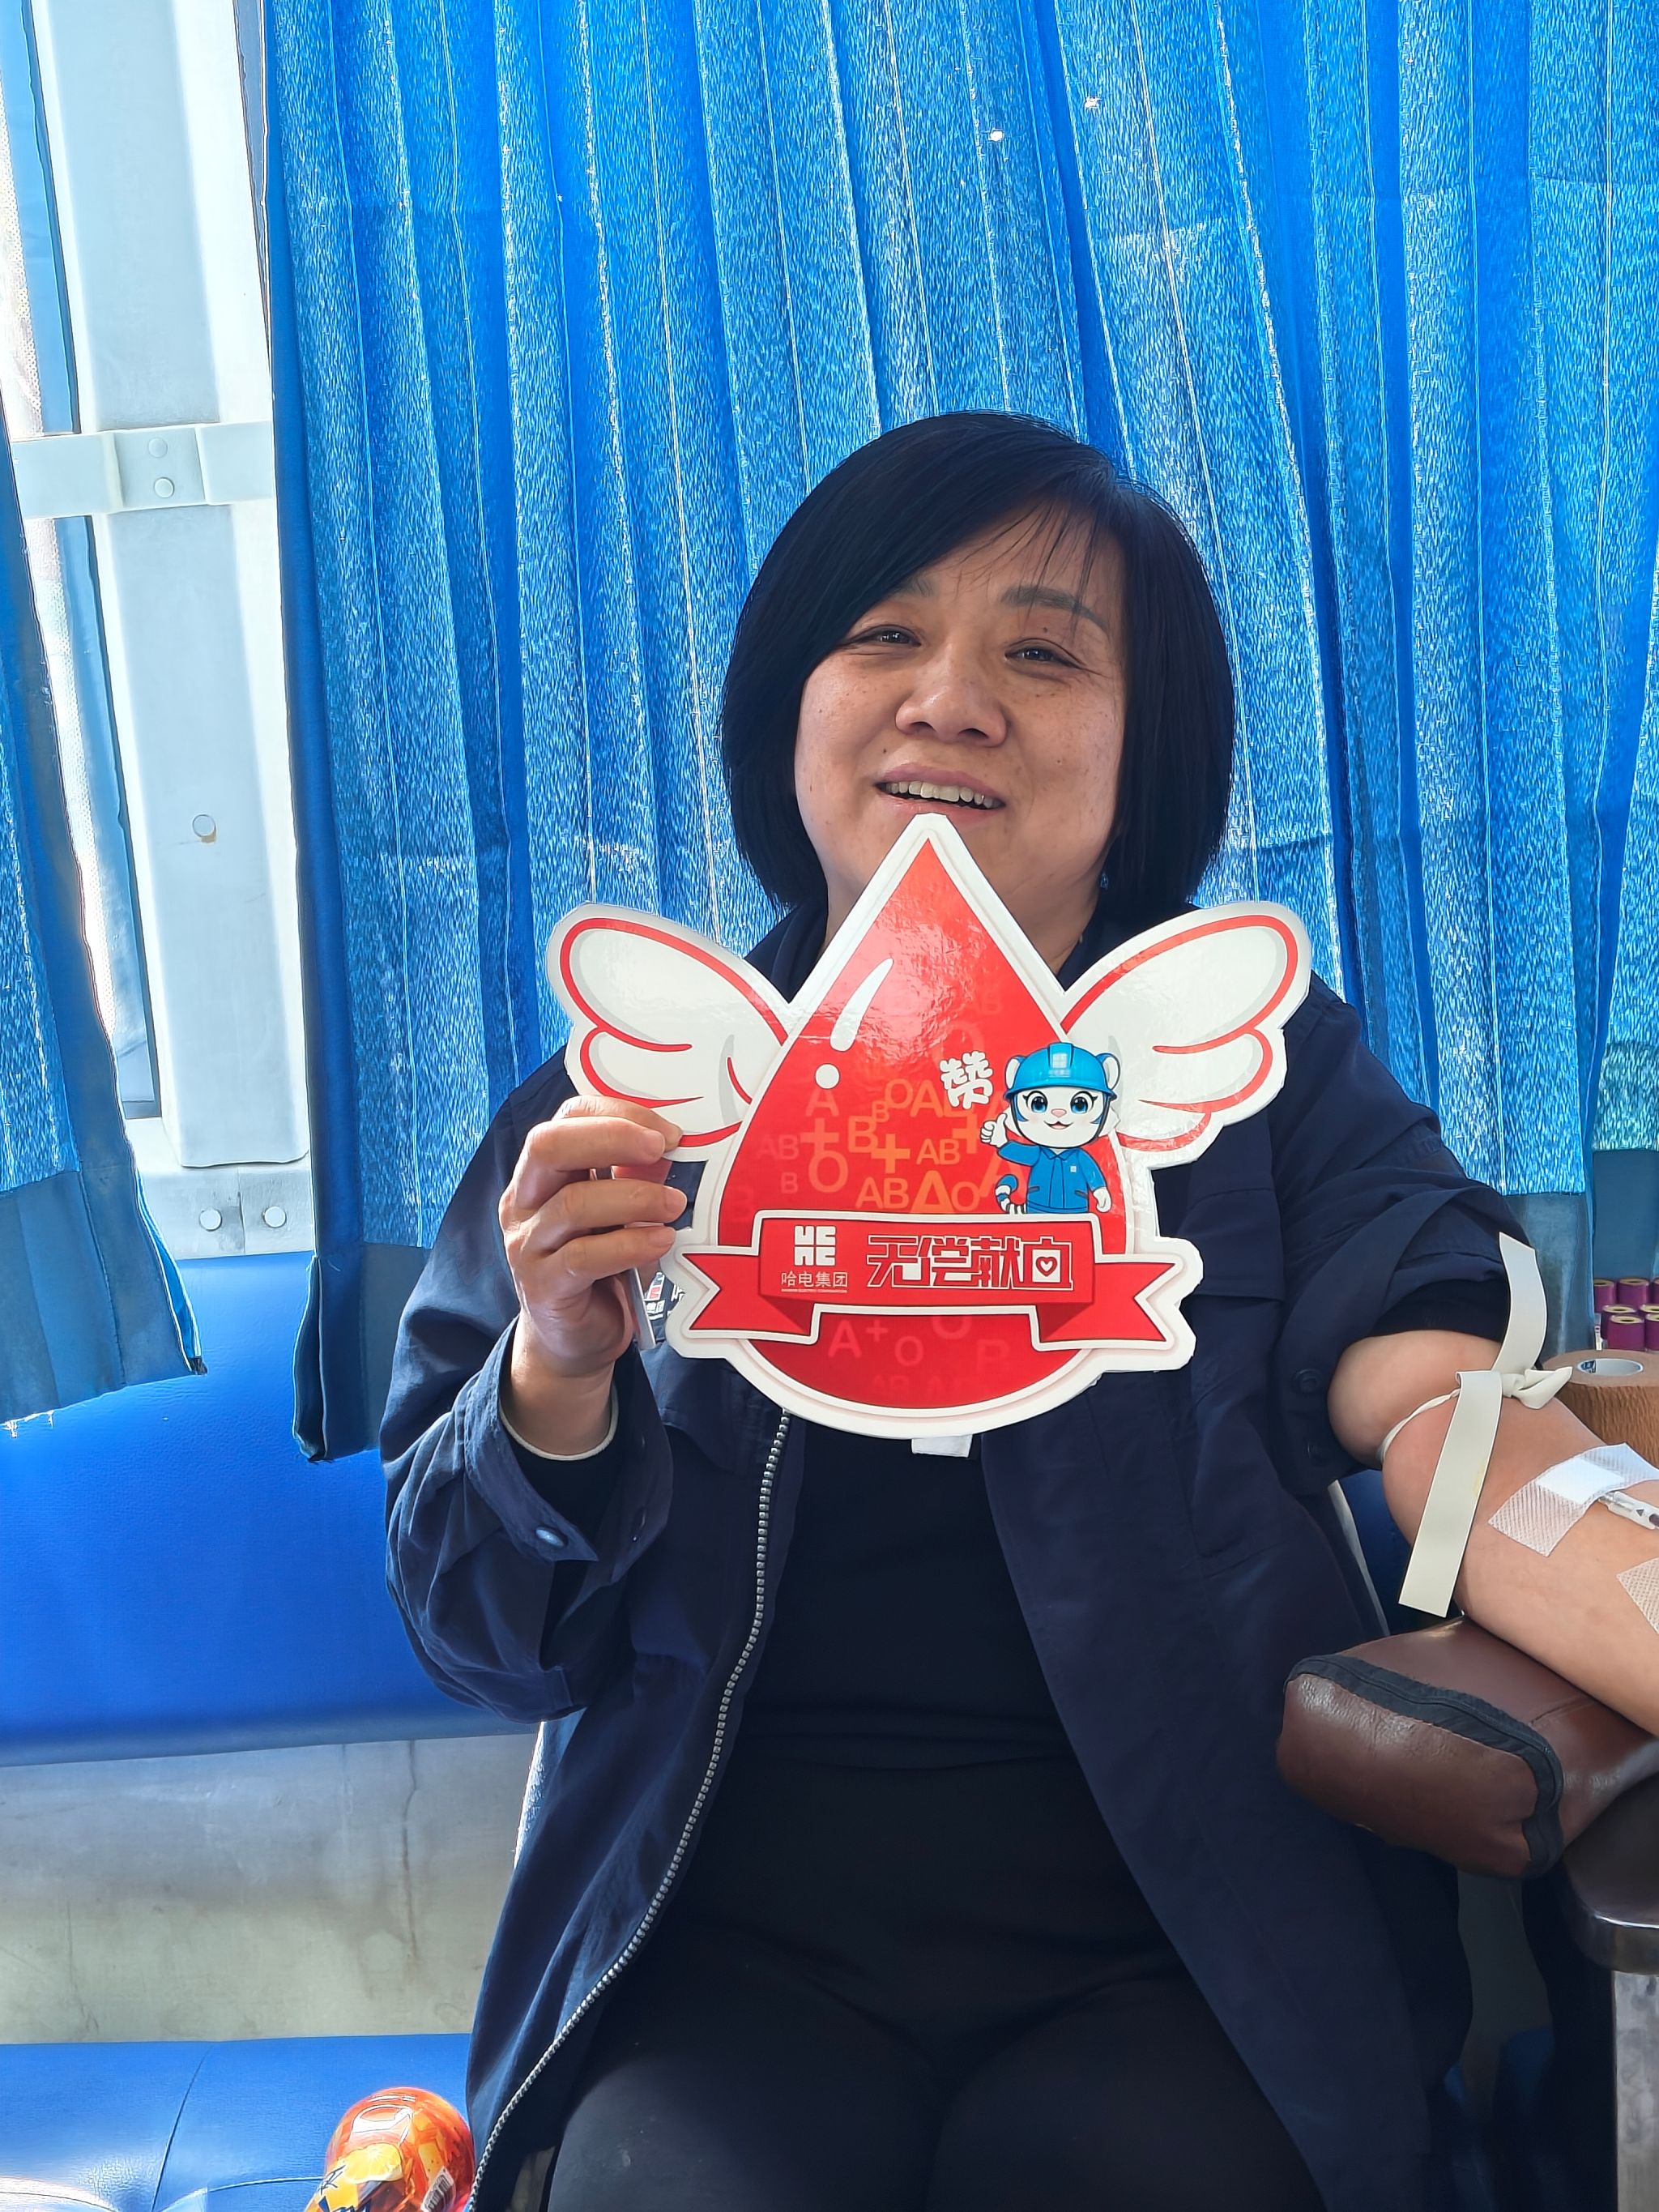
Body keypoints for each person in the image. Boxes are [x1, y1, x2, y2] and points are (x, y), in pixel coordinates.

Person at [382, 414, 1545, 2212]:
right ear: (790, 708)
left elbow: (1436, 1346)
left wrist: (1470, 1445)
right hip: (724, 1961)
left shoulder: (1258, 1077)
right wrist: (555, 1368)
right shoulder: (637, 1097)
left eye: (1044, 655)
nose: (950, 699)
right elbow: (485, 1646)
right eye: (884, 635)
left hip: (1190, 1951)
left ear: (1147, 749)